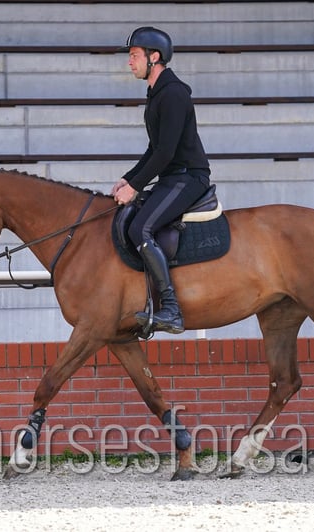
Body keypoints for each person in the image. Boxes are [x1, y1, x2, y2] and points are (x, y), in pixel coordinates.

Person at [112, 26, 211, 335]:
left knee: (140, 228)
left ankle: (171, 309)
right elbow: (154, 149)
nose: (130, 62)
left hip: (188, 177)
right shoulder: (156, 93)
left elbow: (166, 152)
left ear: (153, 57)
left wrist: (135, 186)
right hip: (172, 176)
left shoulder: (173, 93)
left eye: (134, 56)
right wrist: (128, 179)